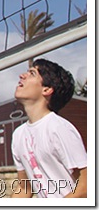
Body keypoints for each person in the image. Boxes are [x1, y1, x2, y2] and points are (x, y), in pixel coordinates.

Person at [11, 58, 87, 198]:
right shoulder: (18, 135)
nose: (22, 75)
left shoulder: (59, 128)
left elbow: (87, 185)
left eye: (32, 73)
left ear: (46, 89)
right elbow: (24, 188)